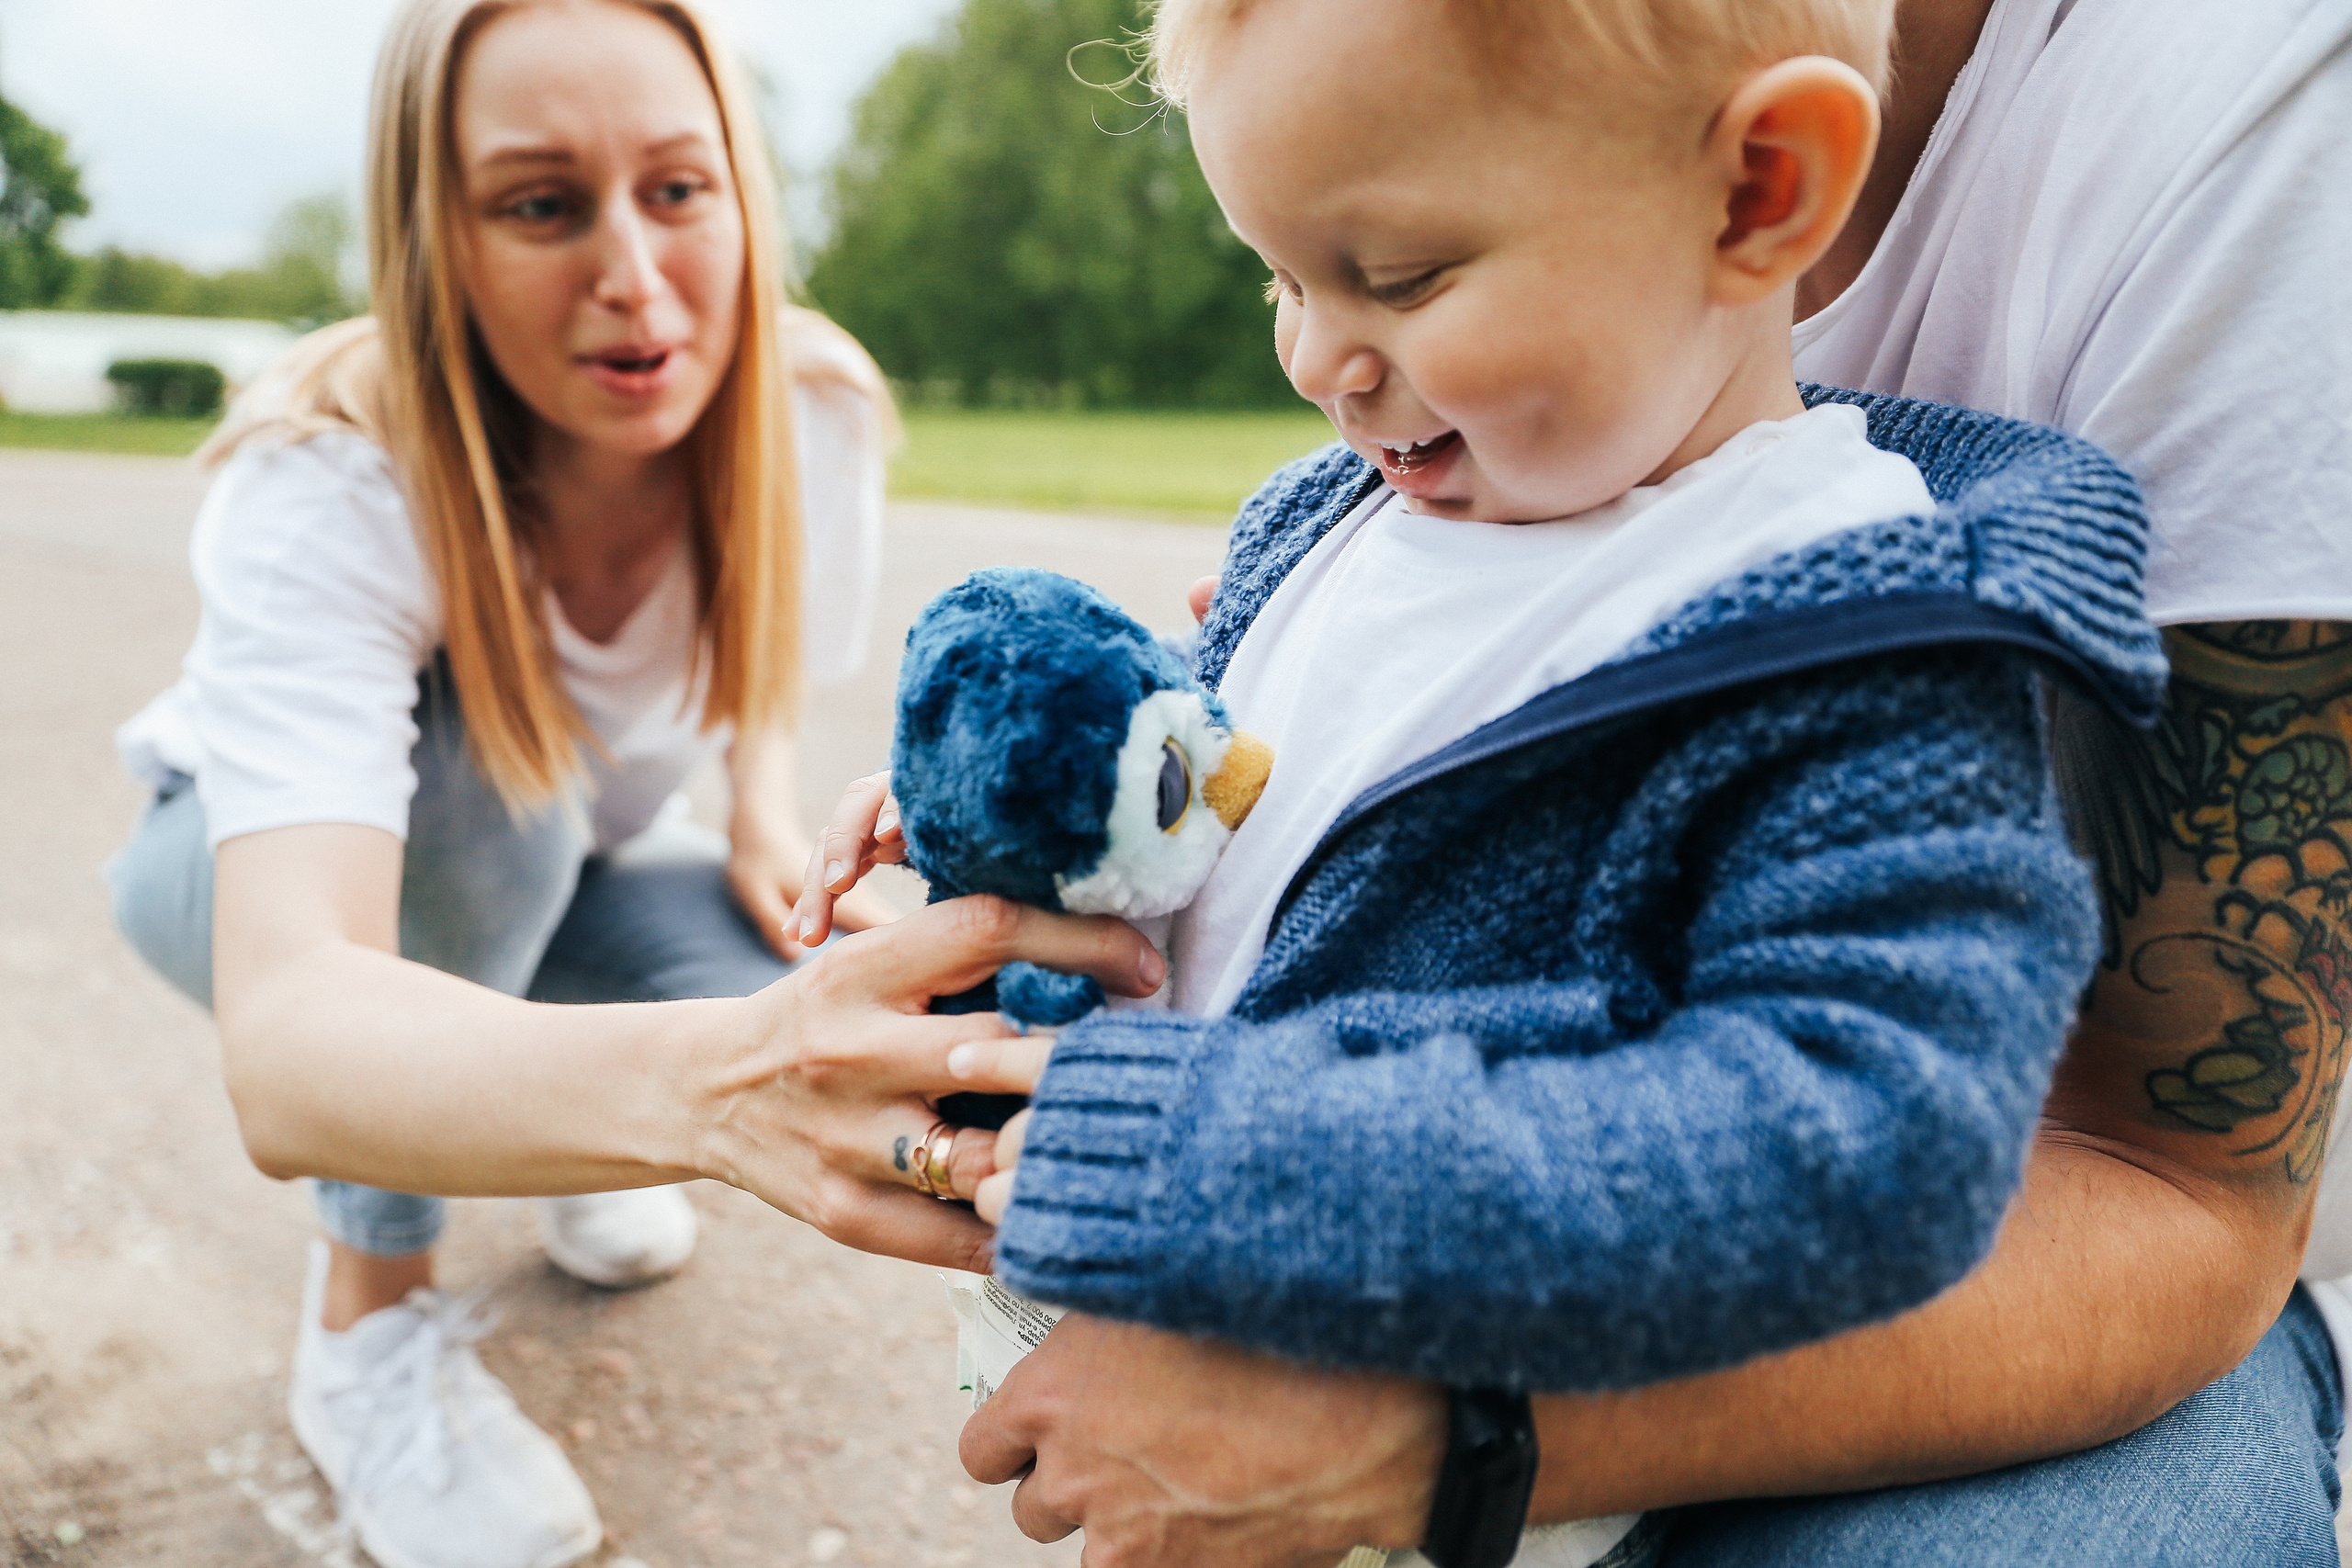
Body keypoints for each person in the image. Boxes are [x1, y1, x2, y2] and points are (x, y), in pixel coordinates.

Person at [909, 1, 2352, 1563]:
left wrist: (1185, 1155)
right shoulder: (1347, 514)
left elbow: (1863, 1135)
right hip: (1226, 1318)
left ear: (1759, 194)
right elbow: (1245, 813)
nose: (1316, 361)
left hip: (1750, 1349)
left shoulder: (1857, 635)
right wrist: (1006, 850)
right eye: (1279, 273)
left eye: (1397, 279)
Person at [99, 3, 1148, 1566]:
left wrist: (777, 867)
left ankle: (541, 1123)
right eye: (540, 203)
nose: (635, 279)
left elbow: (757, 704)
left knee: (797, 979)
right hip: (246, 873)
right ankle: (364, 1335)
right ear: (433, 234)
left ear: (742, 192)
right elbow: (292, 1035)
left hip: (555, 856)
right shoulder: (331, 474)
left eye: (676, 189)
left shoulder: (813, 413)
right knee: (511, 822)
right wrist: (719, 1097)